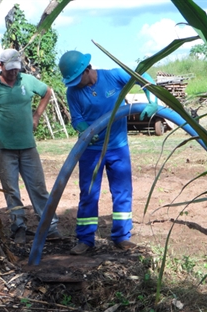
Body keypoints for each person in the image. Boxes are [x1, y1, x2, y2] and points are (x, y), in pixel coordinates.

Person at [58, 50, 158, 255]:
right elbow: (76, 119)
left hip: (118, 146)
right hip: (91, 150)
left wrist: (153, 101)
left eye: (78, 79)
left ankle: (122, 237)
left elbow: (144, 77)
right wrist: (84, 129)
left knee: (122, 191)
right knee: (89, 193)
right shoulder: (73, 92)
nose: (76, 83)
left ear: (88, 69)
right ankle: (85, 239)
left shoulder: (113, 76)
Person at [0, 48, 60, 244]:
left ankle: (49, 227)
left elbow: (47, 92)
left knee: (38, 187)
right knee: (11, 189)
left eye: (16, 69)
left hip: (28, 146)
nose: (14, 73)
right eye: (10, 70)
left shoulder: (27, 80)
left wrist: (37, 115)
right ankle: (19, 227)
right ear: (0, 66)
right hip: (4, 147)